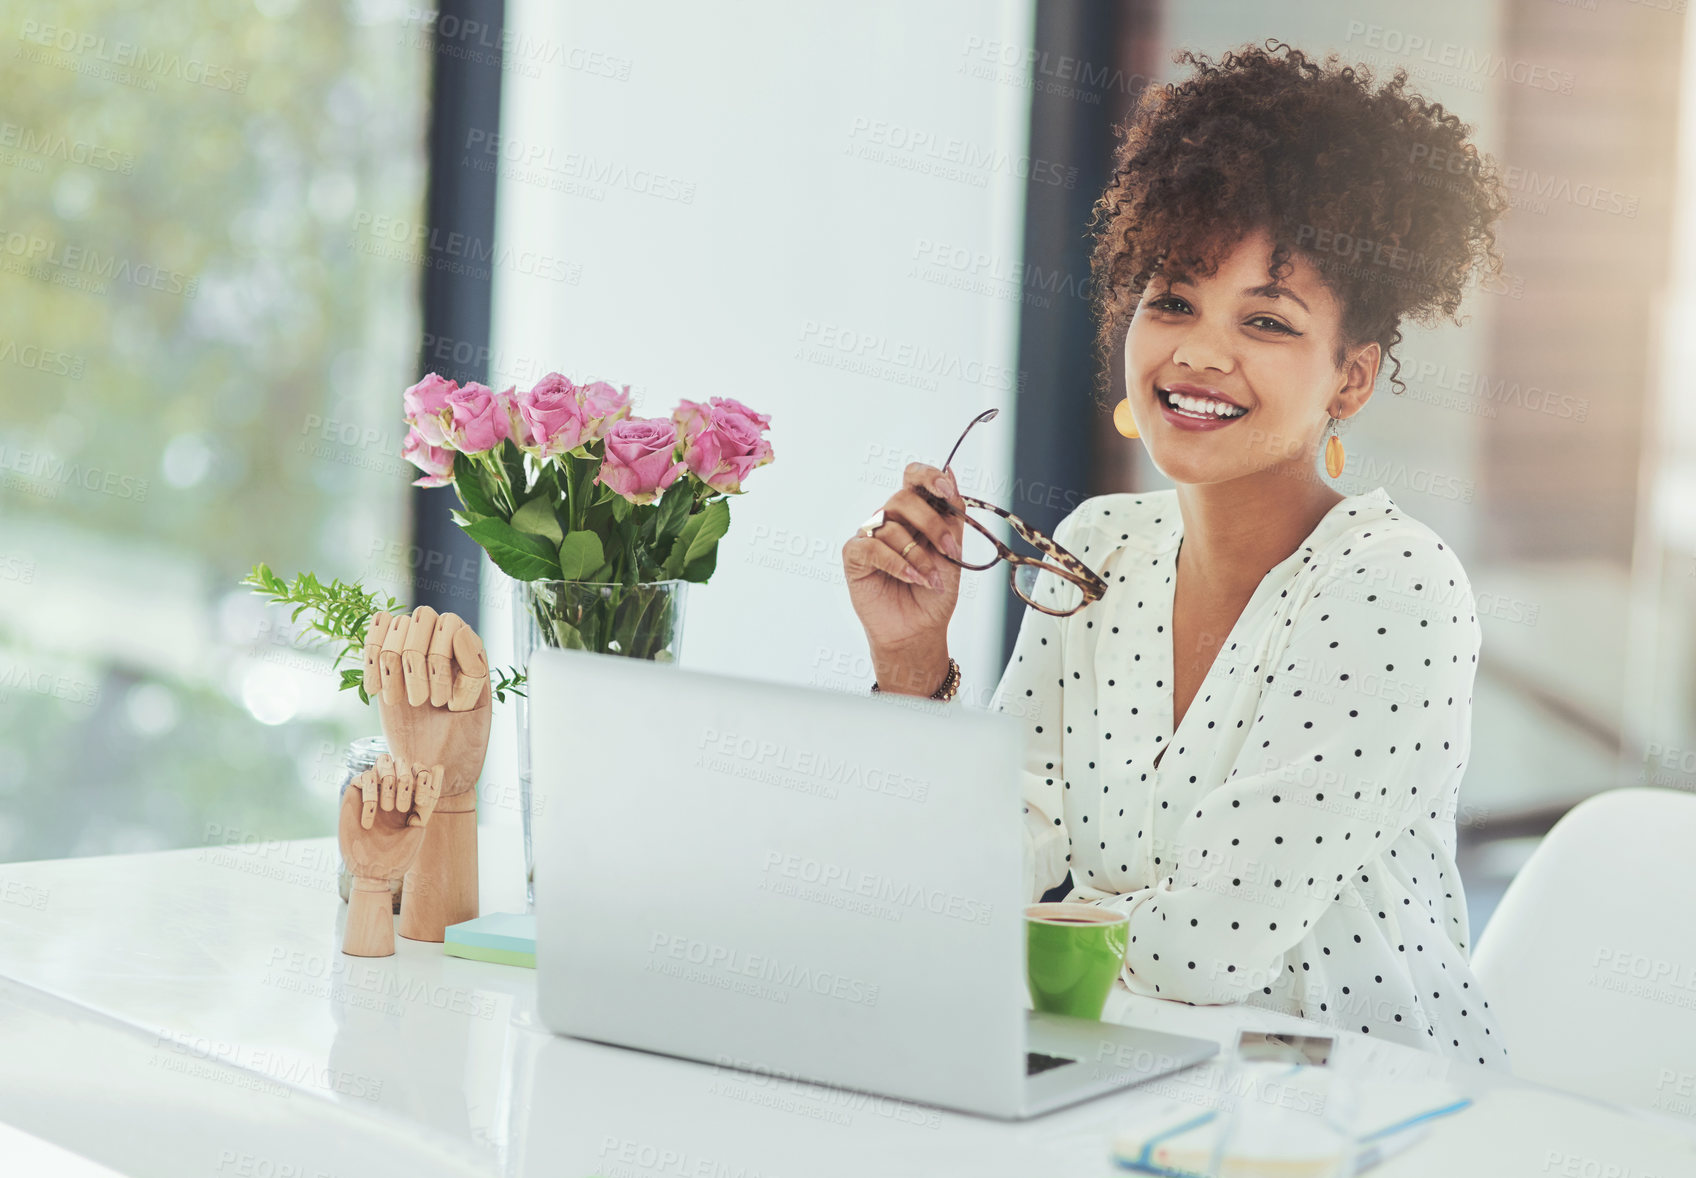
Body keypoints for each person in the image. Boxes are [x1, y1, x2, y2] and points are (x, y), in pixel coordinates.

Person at [841, 41, 1512, 1069]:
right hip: (1141, 1082)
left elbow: (1205, 951)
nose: (1198, 352)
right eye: (1172, 300)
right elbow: (958, 877)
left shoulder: (1393, 585)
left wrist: (980, 935)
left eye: (1267, 321)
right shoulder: (1100, 546)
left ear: (1351, 379)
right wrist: (911, 665)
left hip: (1366, 1119)